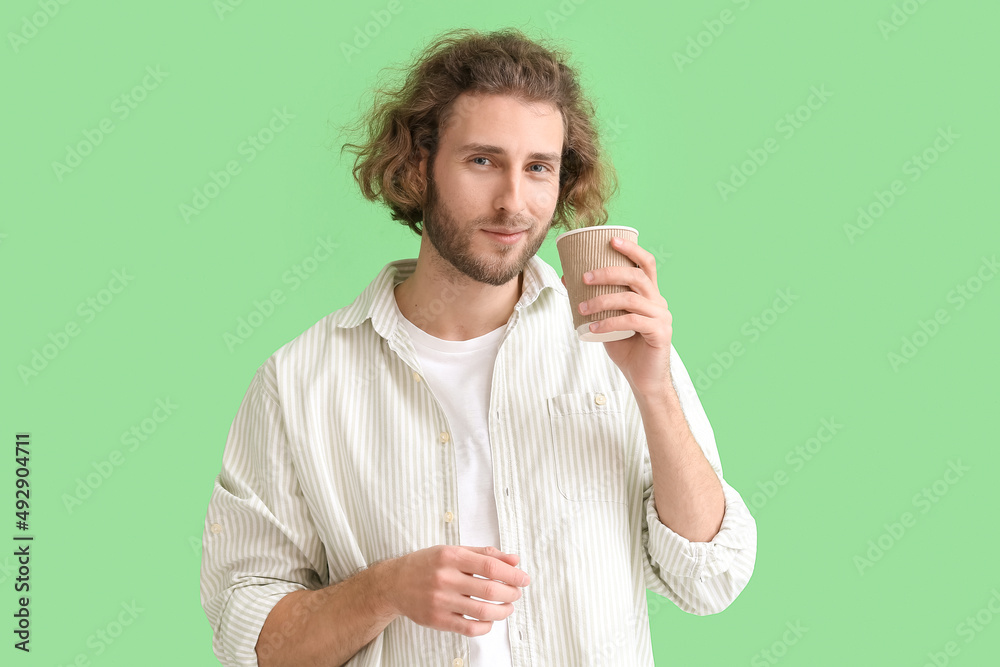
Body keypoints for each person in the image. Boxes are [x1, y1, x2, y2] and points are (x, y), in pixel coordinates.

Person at [199, 27, 757, 667]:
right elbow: (253, 640)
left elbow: (710, 577)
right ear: (419, 166)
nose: (513, 203)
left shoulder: (618, 349)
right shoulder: (299, 383)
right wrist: (386, 589)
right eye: (482, 160)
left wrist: (653, 388)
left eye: (538, 168)